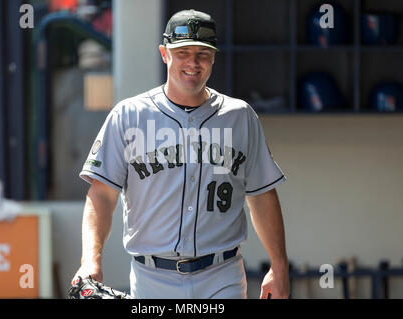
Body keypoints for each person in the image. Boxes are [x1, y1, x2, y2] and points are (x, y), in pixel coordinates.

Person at [71, 9, 289, 299]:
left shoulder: (240, 116)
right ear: (164, 54)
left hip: (221, 274)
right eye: (183, 51)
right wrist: (91, 258)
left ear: (213, 57)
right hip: (152, 277)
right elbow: (102, 194)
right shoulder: (129, 116)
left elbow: (261, 196)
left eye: (203, 53)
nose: (193, 62)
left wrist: (279, 264)